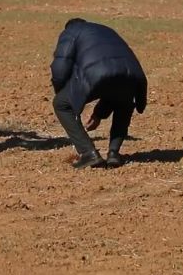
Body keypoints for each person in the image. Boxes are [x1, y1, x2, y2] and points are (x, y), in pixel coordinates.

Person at [50, 18, 147, 169]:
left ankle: (88, 153)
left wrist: (62, 91)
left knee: (61, 104)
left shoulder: (71, 31)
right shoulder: (106, 30)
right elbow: (114, 76)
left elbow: (61, 66)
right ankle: (114, 153)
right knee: (123, 102)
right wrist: (99, 114)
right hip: (132, 77)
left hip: (98, 75)